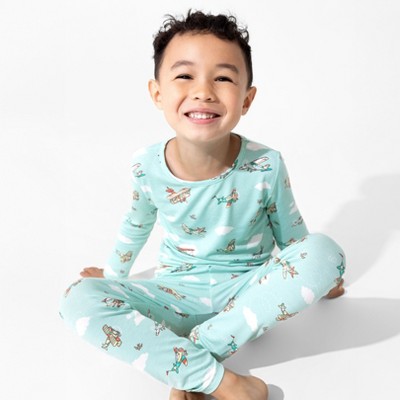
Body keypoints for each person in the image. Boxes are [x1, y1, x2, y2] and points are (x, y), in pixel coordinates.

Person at [60, 10, 345, 400]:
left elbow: (293, 237)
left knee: (326, 251)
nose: (204, 91)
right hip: (174, 294)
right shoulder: (146, 166)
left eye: (223, 78)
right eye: (184, 76)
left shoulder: (266, 164)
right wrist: (112, 274)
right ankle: (223, 381)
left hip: (250, 293)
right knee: (78, 298)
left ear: (247, 99)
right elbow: (136, 223)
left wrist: (321, 278)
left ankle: (191, 361)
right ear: (157, 93)